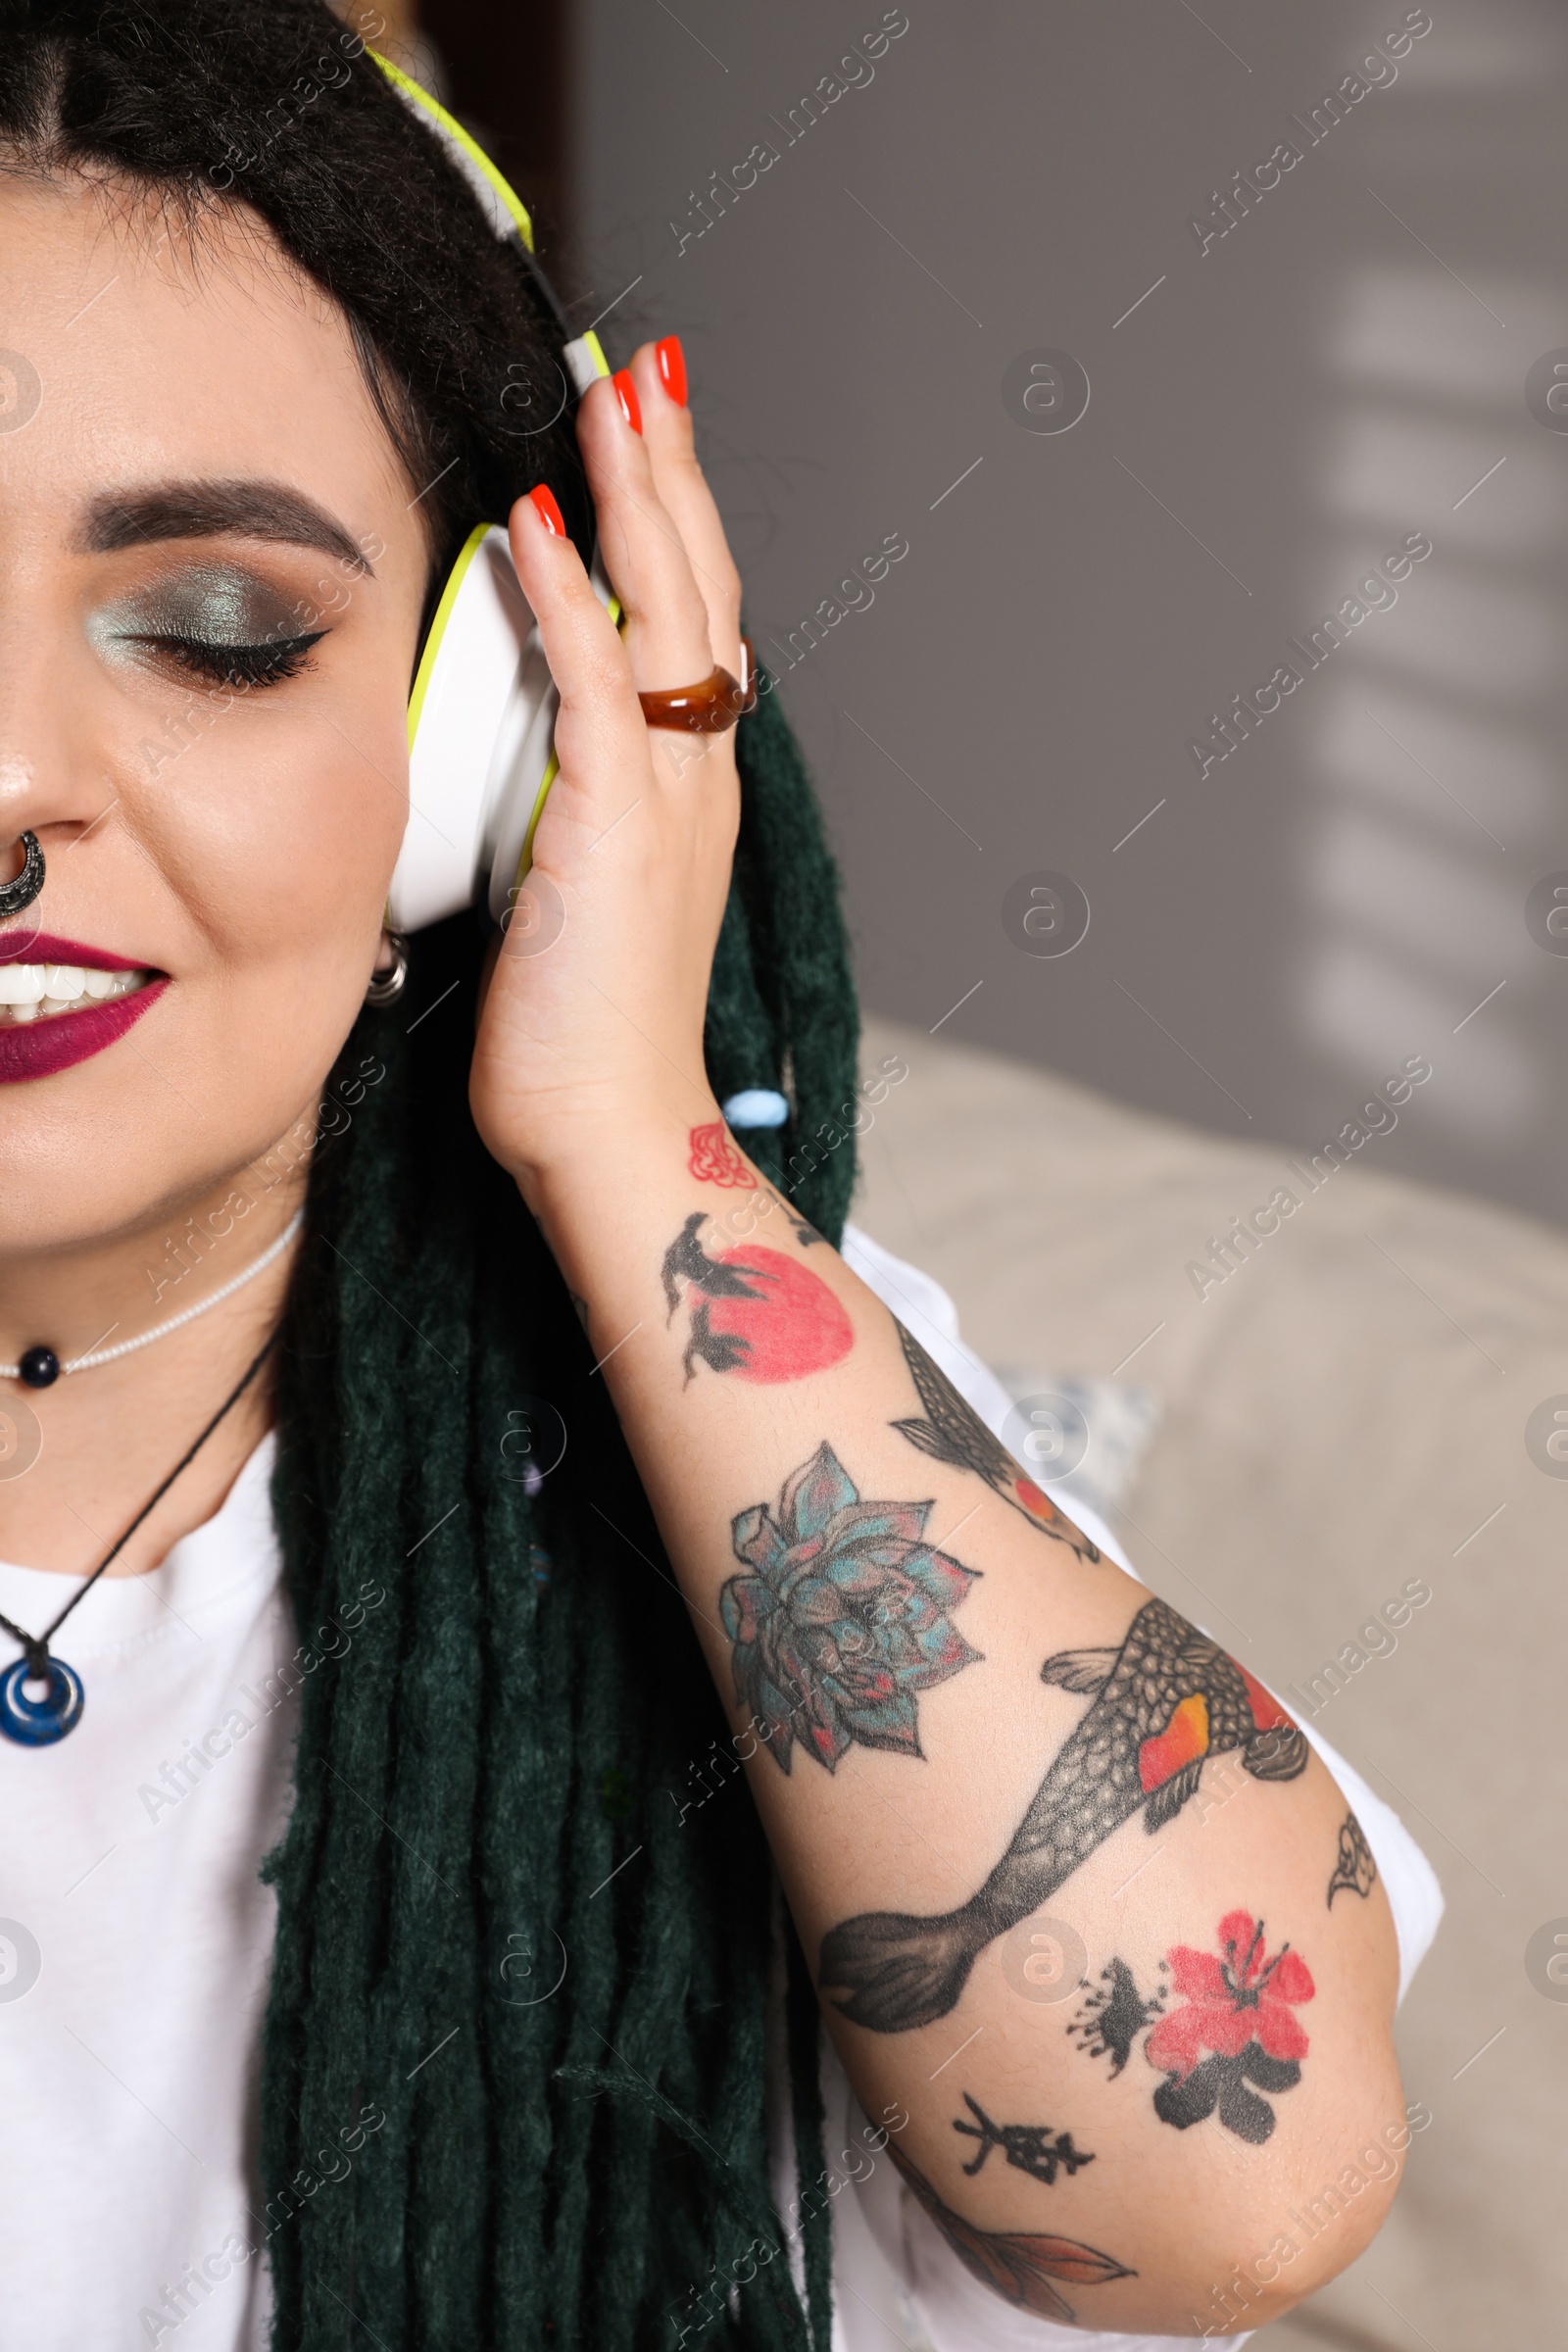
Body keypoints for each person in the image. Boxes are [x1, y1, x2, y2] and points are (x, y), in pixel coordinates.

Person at [0, 4, 1441, 2347]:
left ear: (488, 737)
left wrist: (626, 1130)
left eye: (214, 634)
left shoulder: (720, 1388)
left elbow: (1237, 2188)